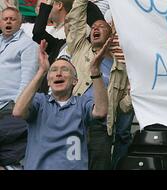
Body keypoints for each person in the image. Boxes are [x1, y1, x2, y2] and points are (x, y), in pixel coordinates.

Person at [65, 0, 132, 170]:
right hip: (72, 122)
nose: (95, 28)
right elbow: (75, 16)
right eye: (93, 26)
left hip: (101, 129)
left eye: (101, 26)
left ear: (110, 36)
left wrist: (130, 95)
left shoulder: (120, 69)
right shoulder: (79, 48)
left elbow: (123, 108)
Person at [12, 39, 109, 170]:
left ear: (75, 81)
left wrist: (95, 71)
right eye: (53, 70)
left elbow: (101, 111)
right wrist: (42, 71)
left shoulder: (82, 103)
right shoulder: (40, 102)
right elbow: (18, 111)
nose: (58, 73)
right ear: (48, 82)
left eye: (65, 70)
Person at [0, 7, 39, 169]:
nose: (8, 21)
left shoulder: (28, 45)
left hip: (11, 107)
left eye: (12, 19)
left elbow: (28, 79)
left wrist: (19, 106)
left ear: (21, 22)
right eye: (5, 19)